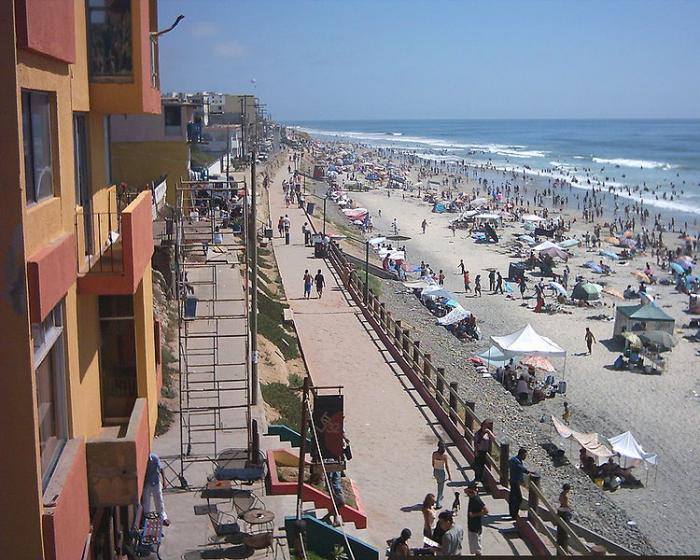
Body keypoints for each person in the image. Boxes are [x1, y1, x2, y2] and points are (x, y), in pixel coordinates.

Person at [143, 452, 170, 526]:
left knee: (159, 500)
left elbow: (161, 469)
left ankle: (163, 517)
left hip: (156, 481)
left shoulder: (155, 458)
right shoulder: (142, 459)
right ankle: (146, 517)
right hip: (147, 483)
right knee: (146, 501)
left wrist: (164, 481)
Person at [466, 482, 488, 556]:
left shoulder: (477, 499)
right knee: (474, 548)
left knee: (477, 549)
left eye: (470, 491)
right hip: (471, 526)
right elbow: (465, 491)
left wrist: (474, 515)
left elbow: (486, 511)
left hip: (475, 527)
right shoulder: (471, 497)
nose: (468, 493)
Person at [508, 448, 530, 520]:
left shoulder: (515, 459)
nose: (525, 457)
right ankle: (514, 514)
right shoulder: (516, 461)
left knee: (512, 497)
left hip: (514, 481)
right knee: (518, 498)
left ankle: (512, 513)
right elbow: (520, 468)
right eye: (525, 455)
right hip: (515, 481)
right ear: (521, 454)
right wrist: (528, 472)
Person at [472, 420, 494, 487]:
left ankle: (481, 478)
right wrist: (476, 451)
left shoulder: (487, 433)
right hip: (479, 451)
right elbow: (475, 442)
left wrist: (489, 432)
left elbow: (493, 439)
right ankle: (477, 478)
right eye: (484, 426)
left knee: (482, 466)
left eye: (486, 426)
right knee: (477, 466)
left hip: (485, 451)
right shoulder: (478, 433)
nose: (485, 427)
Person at [432, 440, 452, 508]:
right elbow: (446, 466)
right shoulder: (444, 456)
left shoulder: (434, 454)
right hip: (441, 472)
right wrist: (449, 475)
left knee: (439, 484)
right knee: (440, 489)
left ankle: (440, 497)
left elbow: (433, 464)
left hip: (435, 471)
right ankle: (438, 504)